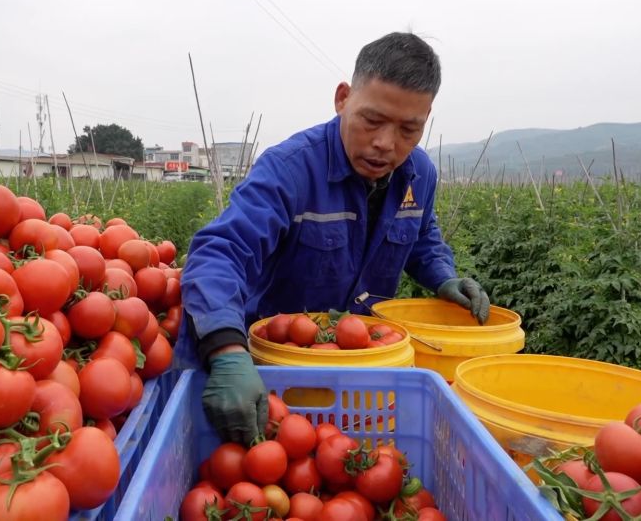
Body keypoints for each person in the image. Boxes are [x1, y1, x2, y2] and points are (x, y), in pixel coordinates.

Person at [180, 32, 491, 445]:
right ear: (343, 98)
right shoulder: (290, 169)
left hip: (360, 370)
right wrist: (226, 350)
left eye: (408, 129)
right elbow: (221, 252)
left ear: (426, 119)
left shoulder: (420, 175)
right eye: (372, 120)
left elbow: (421, 239)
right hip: (273, 376)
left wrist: (443, 276)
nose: (385, 144)